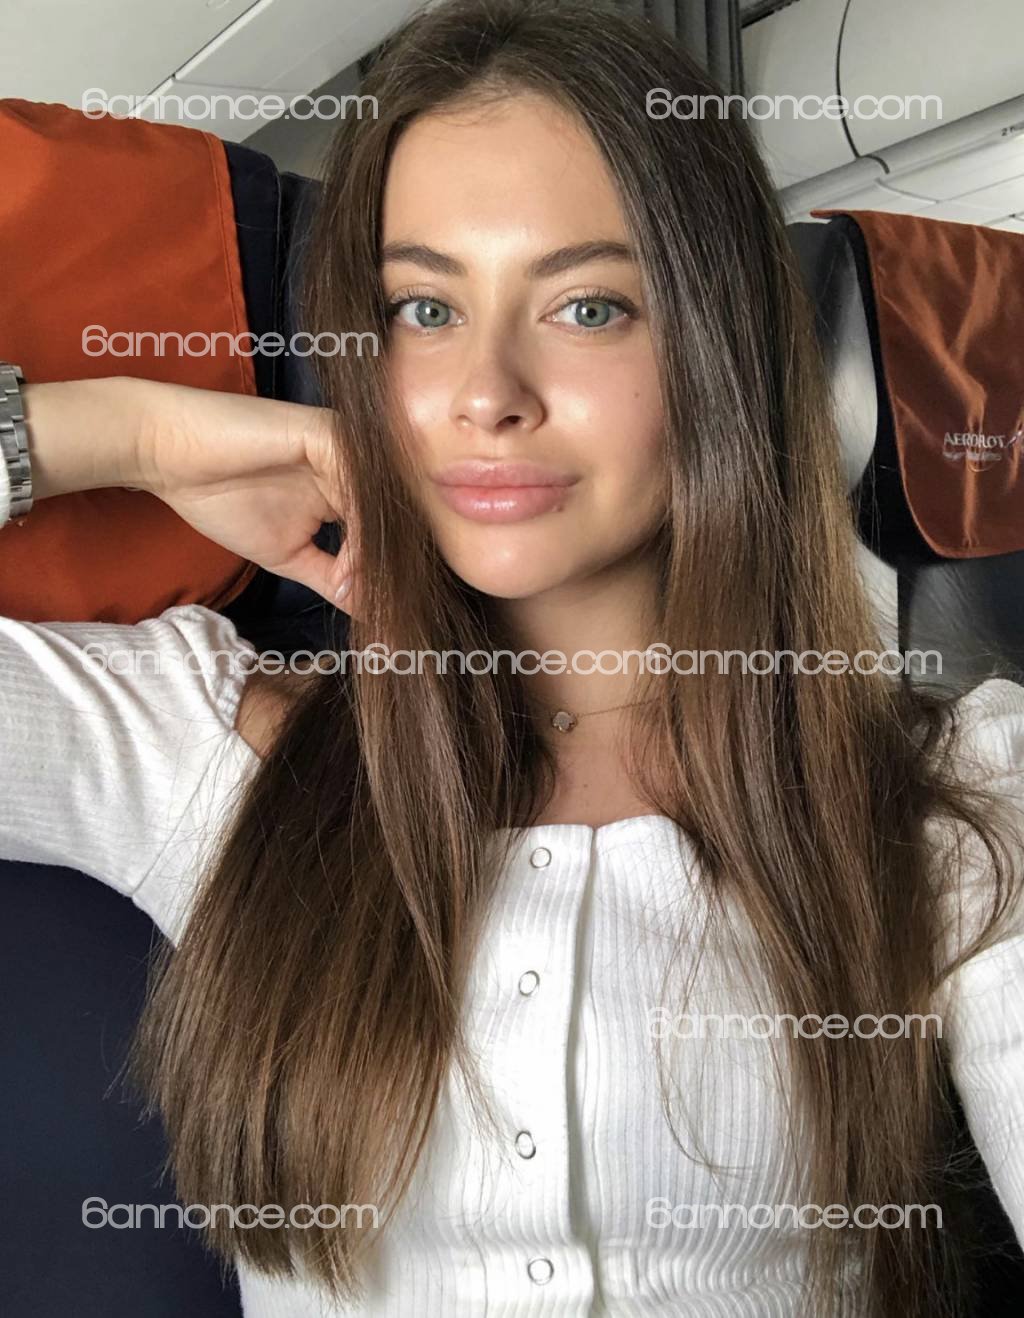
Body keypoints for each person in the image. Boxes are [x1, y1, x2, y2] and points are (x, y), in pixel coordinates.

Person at [3, 1, 1024, 1314]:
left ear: (721, 351)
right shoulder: (205, 744)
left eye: (588, 307)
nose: (484, 392)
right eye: (424, 309)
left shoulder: (965, 795)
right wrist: (127, 436)